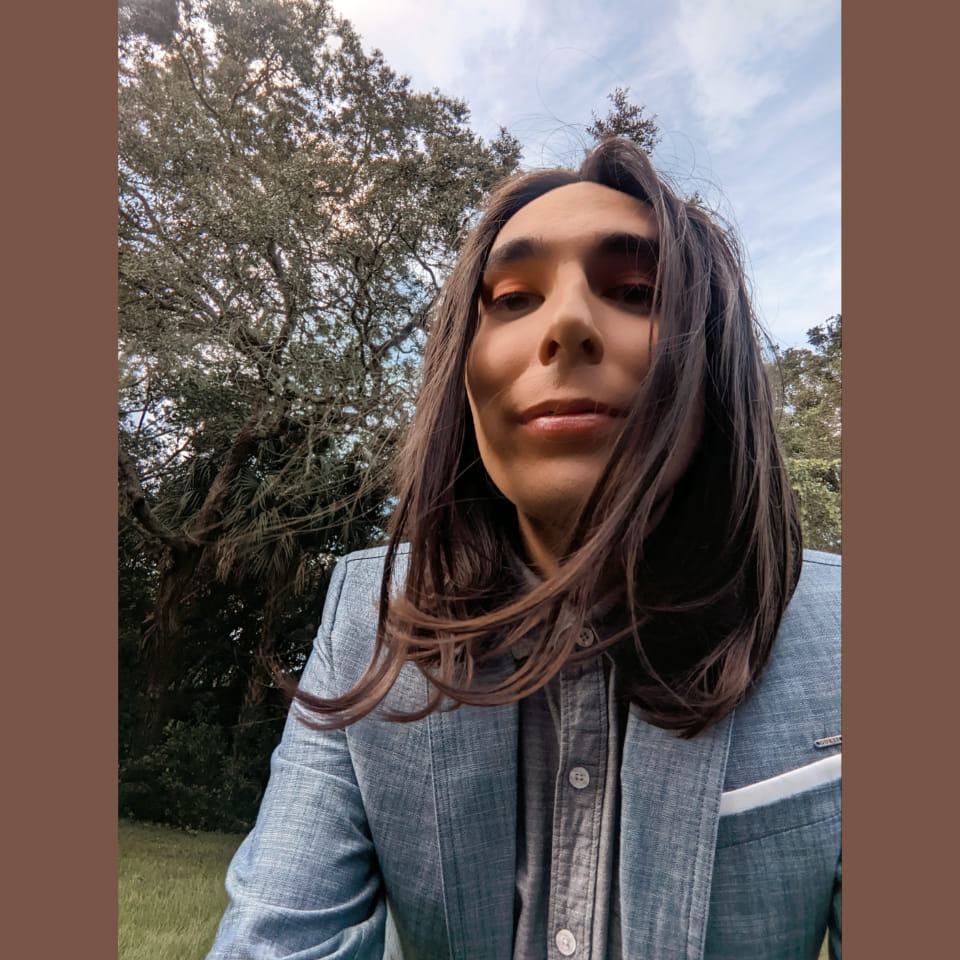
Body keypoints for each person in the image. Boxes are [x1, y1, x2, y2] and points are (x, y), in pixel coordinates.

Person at [207, 137, 841, 960]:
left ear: (713, 366)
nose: (568, 323)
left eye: (635, 291)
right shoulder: (368, 621)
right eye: (512, 298)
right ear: (462, 373)